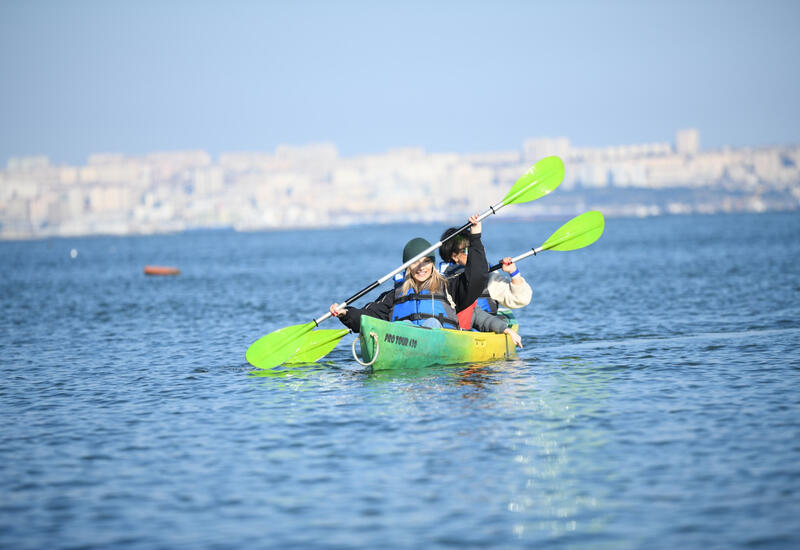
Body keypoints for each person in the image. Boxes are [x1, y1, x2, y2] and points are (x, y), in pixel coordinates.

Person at [330, 215, 489, 333]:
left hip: (440, 348)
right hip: (404, 342)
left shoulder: (450, 288)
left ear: (433, 264)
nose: (421, 267)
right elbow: (367, 316)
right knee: (399, 326)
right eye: (414, 262)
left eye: (426, 261)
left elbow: (478, 276)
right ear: (407, 267)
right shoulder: (394, 295)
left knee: (432, 323)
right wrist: (345, 314)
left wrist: (475, 236)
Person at [438, 227, 530, 348]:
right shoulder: (438, 277)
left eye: (476, 248)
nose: (475, 252)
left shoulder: (490, 278)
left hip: (485, 330)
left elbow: (522, 299)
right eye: (468, 250)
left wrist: (514, 273)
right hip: (454, 332)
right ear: (454, 256)